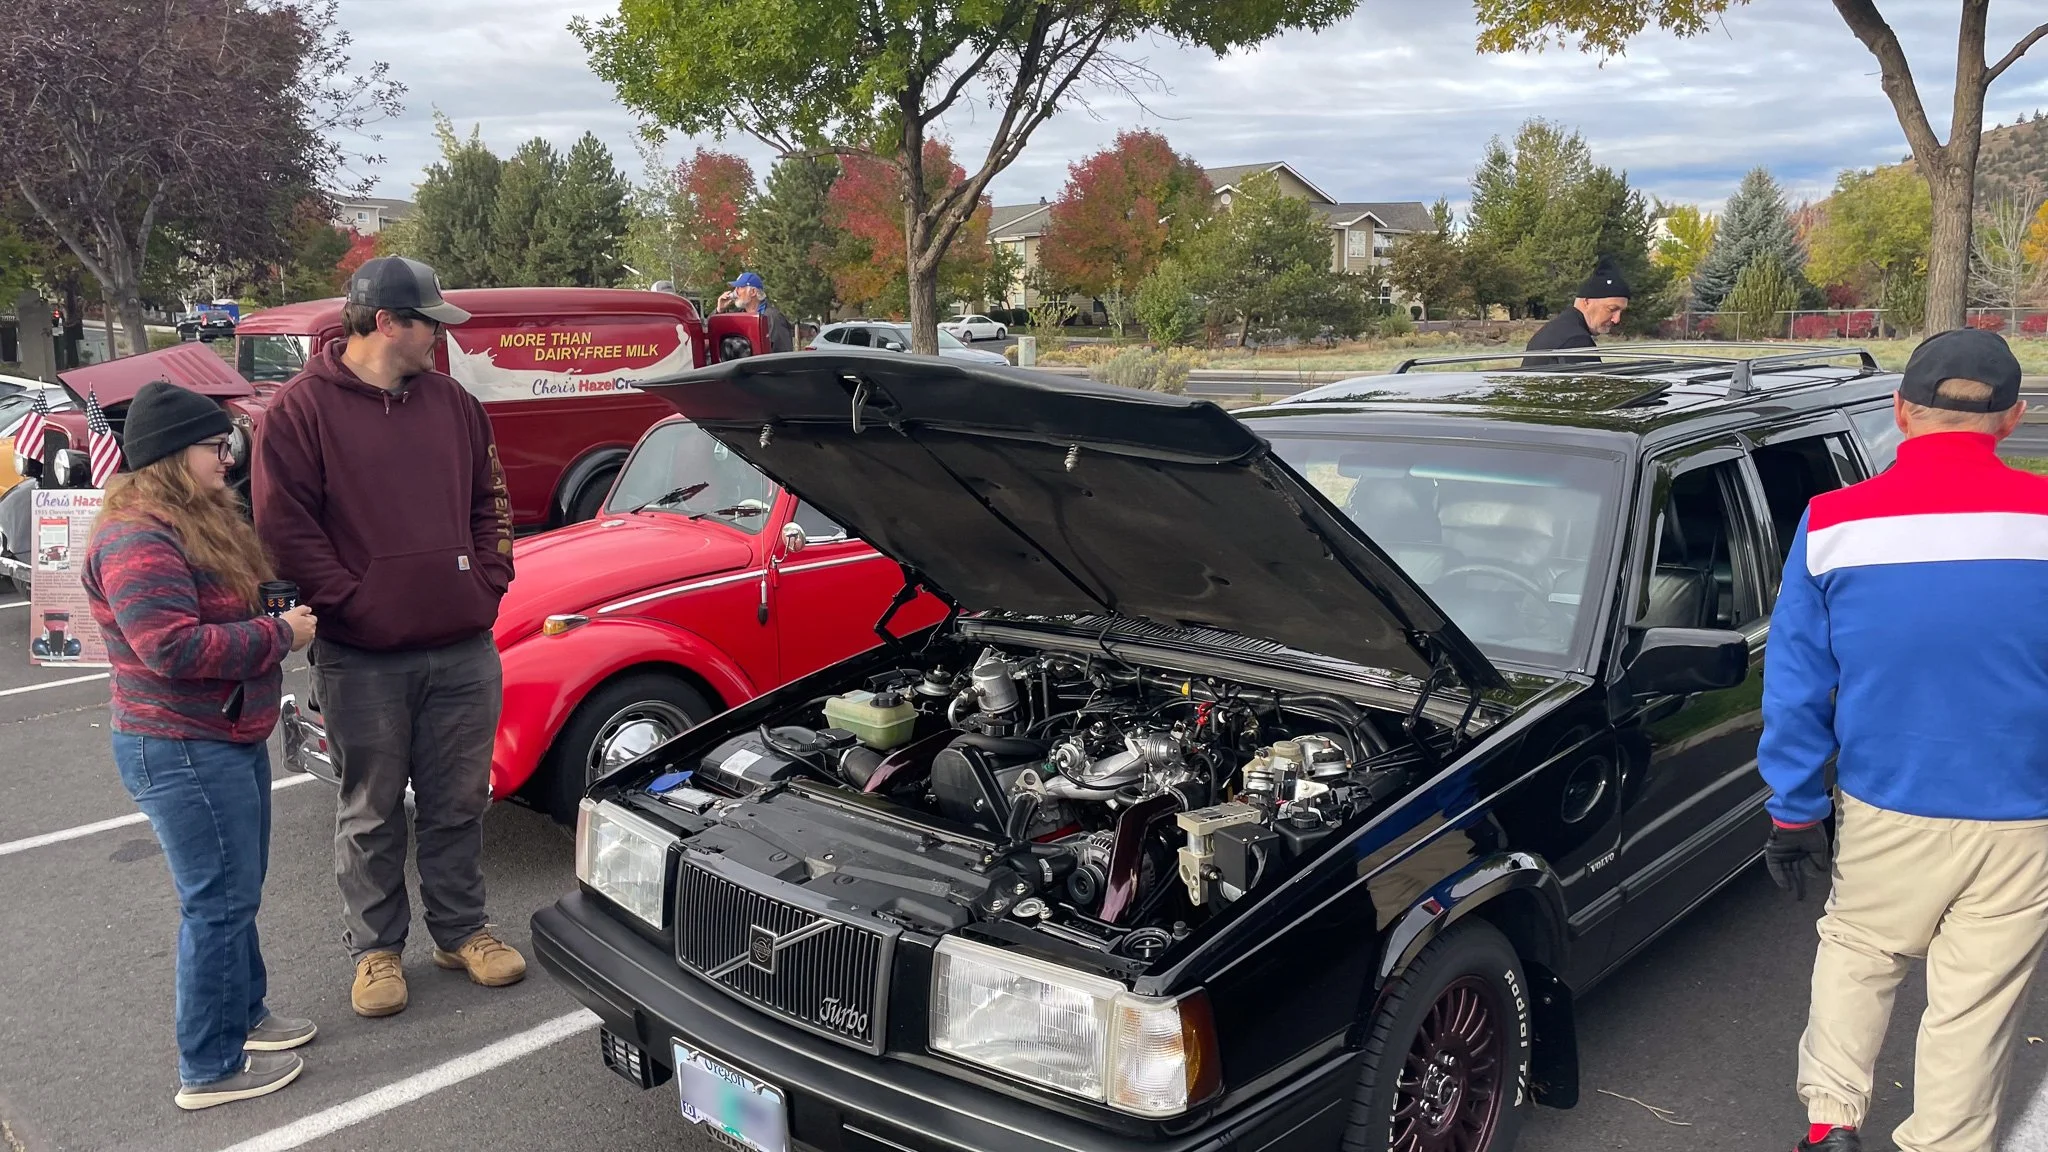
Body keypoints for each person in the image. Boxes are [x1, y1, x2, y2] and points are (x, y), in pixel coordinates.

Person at [1760, 328, 2048, 1152]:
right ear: (2014, 419)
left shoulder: (1834, 524)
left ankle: (1831, 1121)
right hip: (2023, 813)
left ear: (1900, 413)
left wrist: (1794, 811)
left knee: (1858, 952)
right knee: (1975, 1001)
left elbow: (1797, 685)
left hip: (1887, 800)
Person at [252, 256, 524, 1019]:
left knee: (459, 800)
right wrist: (353, 603)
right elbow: (284, 530)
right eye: (430, 322)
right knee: (371, 809)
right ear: (385, 323)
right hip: (362, 656)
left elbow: (491, 500)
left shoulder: (455, 405)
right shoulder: (300, 411)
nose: (441, 336)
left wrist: (487, 581)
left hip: (464, 645)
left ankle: (461, 930)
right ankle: (375, 951)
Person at [84, 380, 319, 1110]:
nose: (227, 460)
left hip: (223, 732)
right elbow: (172, 649)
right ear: (170, 456)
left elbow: (211, 611)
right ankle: (209, 1068)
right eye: (215, 447)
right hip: (182, 744)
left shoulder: (192, 520)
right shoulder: (137, 538)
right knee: (216, 903)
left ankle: (246, 1016)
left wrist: (271, 601)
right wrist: (281, 635)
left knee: (235, 894)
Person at [1522, 259, 1631, 367]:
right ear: (1587, 301)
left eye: (1621, 311)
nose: (1617, 319)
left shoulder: (1555, 329)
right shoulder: (1576, 341)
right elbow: (1591, 384)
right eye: (1611, 309)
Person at [714, 270, 795, 353]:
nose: (735, 292)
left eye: (740, 287)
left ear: (753, 292)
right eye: (735, 288)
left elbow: (783, 353)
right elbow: (710, 334)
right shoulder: (738, 316)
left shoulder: (772, 317)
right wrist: (719, 310)